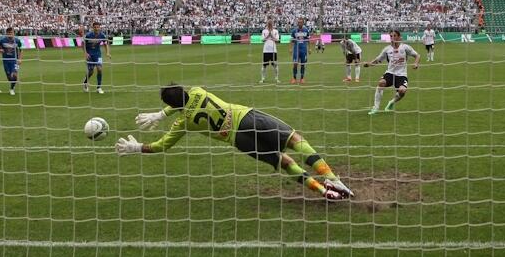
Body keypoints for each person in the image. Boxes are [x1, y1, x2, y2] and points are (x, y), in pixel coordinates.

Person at [116, 84, 354, 200]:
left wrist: (138, 147)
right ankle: (334, 179)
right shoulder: (198, 91)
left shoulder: (184, 124)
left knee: (282, 161)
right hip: (247, 117)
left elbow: (161, 146)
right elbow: (183, 96)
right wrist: (161, 113)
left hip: (238, 139)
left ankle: (323, 191)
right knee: (294, 140)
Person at [365, 30, 420, 114]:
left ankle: (391, 102)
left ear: (399, 37)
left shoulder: (405, 47)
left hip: (402, 75)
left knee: (402, 91)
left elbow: (417, 55)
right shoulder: (387, 49)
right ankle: (376, 107)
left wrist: (416, 63)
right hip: (390, 73)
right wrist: (369, 64)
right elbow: (378, 60)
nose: (392, 38)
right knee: (381, 83)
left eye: (394, 36)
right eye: (391, 36)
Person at [82, 22, 111, 94]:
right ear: (93, 28)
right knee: (91, 71)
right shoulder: (88, 35)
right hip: (89, 55)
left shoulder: (102, 35)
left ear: (99, 28)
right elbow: (82, 44)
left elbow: (105, 44)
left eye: (98, 27)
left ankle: (99, 87)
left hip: (98, 54)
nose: (96, 28)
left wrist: (107, 52)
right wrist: (85, 53)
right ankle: (85, 82)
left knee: (100, 69)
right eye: (95, 27)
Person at [0, 27, 22, 95]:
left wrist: (20, 59)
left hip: (14, 60)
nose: (9, 34)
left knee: (14, 75)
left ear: (13, 33)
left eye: (11, 33)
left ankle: (11, 89)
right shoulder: (2, 40)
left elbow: (20, 50)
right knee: (9, 77)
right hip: (5, 60)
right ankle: (12, 84)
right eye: (8, 33)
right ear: (6, 33)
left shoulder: (17, 41)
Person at [290, 18, 311, 84]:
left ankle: (302, 78)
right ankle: (294, 78)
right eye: (298, 22)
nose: (299, 24)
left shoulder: (306, 30)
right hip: (296, 49)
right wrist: (290, 48)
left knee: (303, 64)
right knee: (295, 64)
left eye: (301, 22)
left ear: (303, 23)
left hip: (303, 49)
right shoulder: (294, 31)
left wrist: (309, 48)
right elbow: (291, 40)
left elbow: (308, 40)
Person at [260, 19, 280, 83]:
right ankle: (263, 78)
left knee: (275, 65)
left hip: (273, 50)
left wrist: (272, 35)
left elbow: (277, 40)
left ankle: (276, 78)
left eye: (271, 23)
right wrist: (268, 36)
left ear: (272, 24)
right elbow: (262, 40)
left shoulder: (275, 31)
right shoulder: (264, 31)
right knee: (264, 65)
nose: (270, 24)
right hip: (266, 50)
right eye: (269, 23)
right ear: (267, 24)